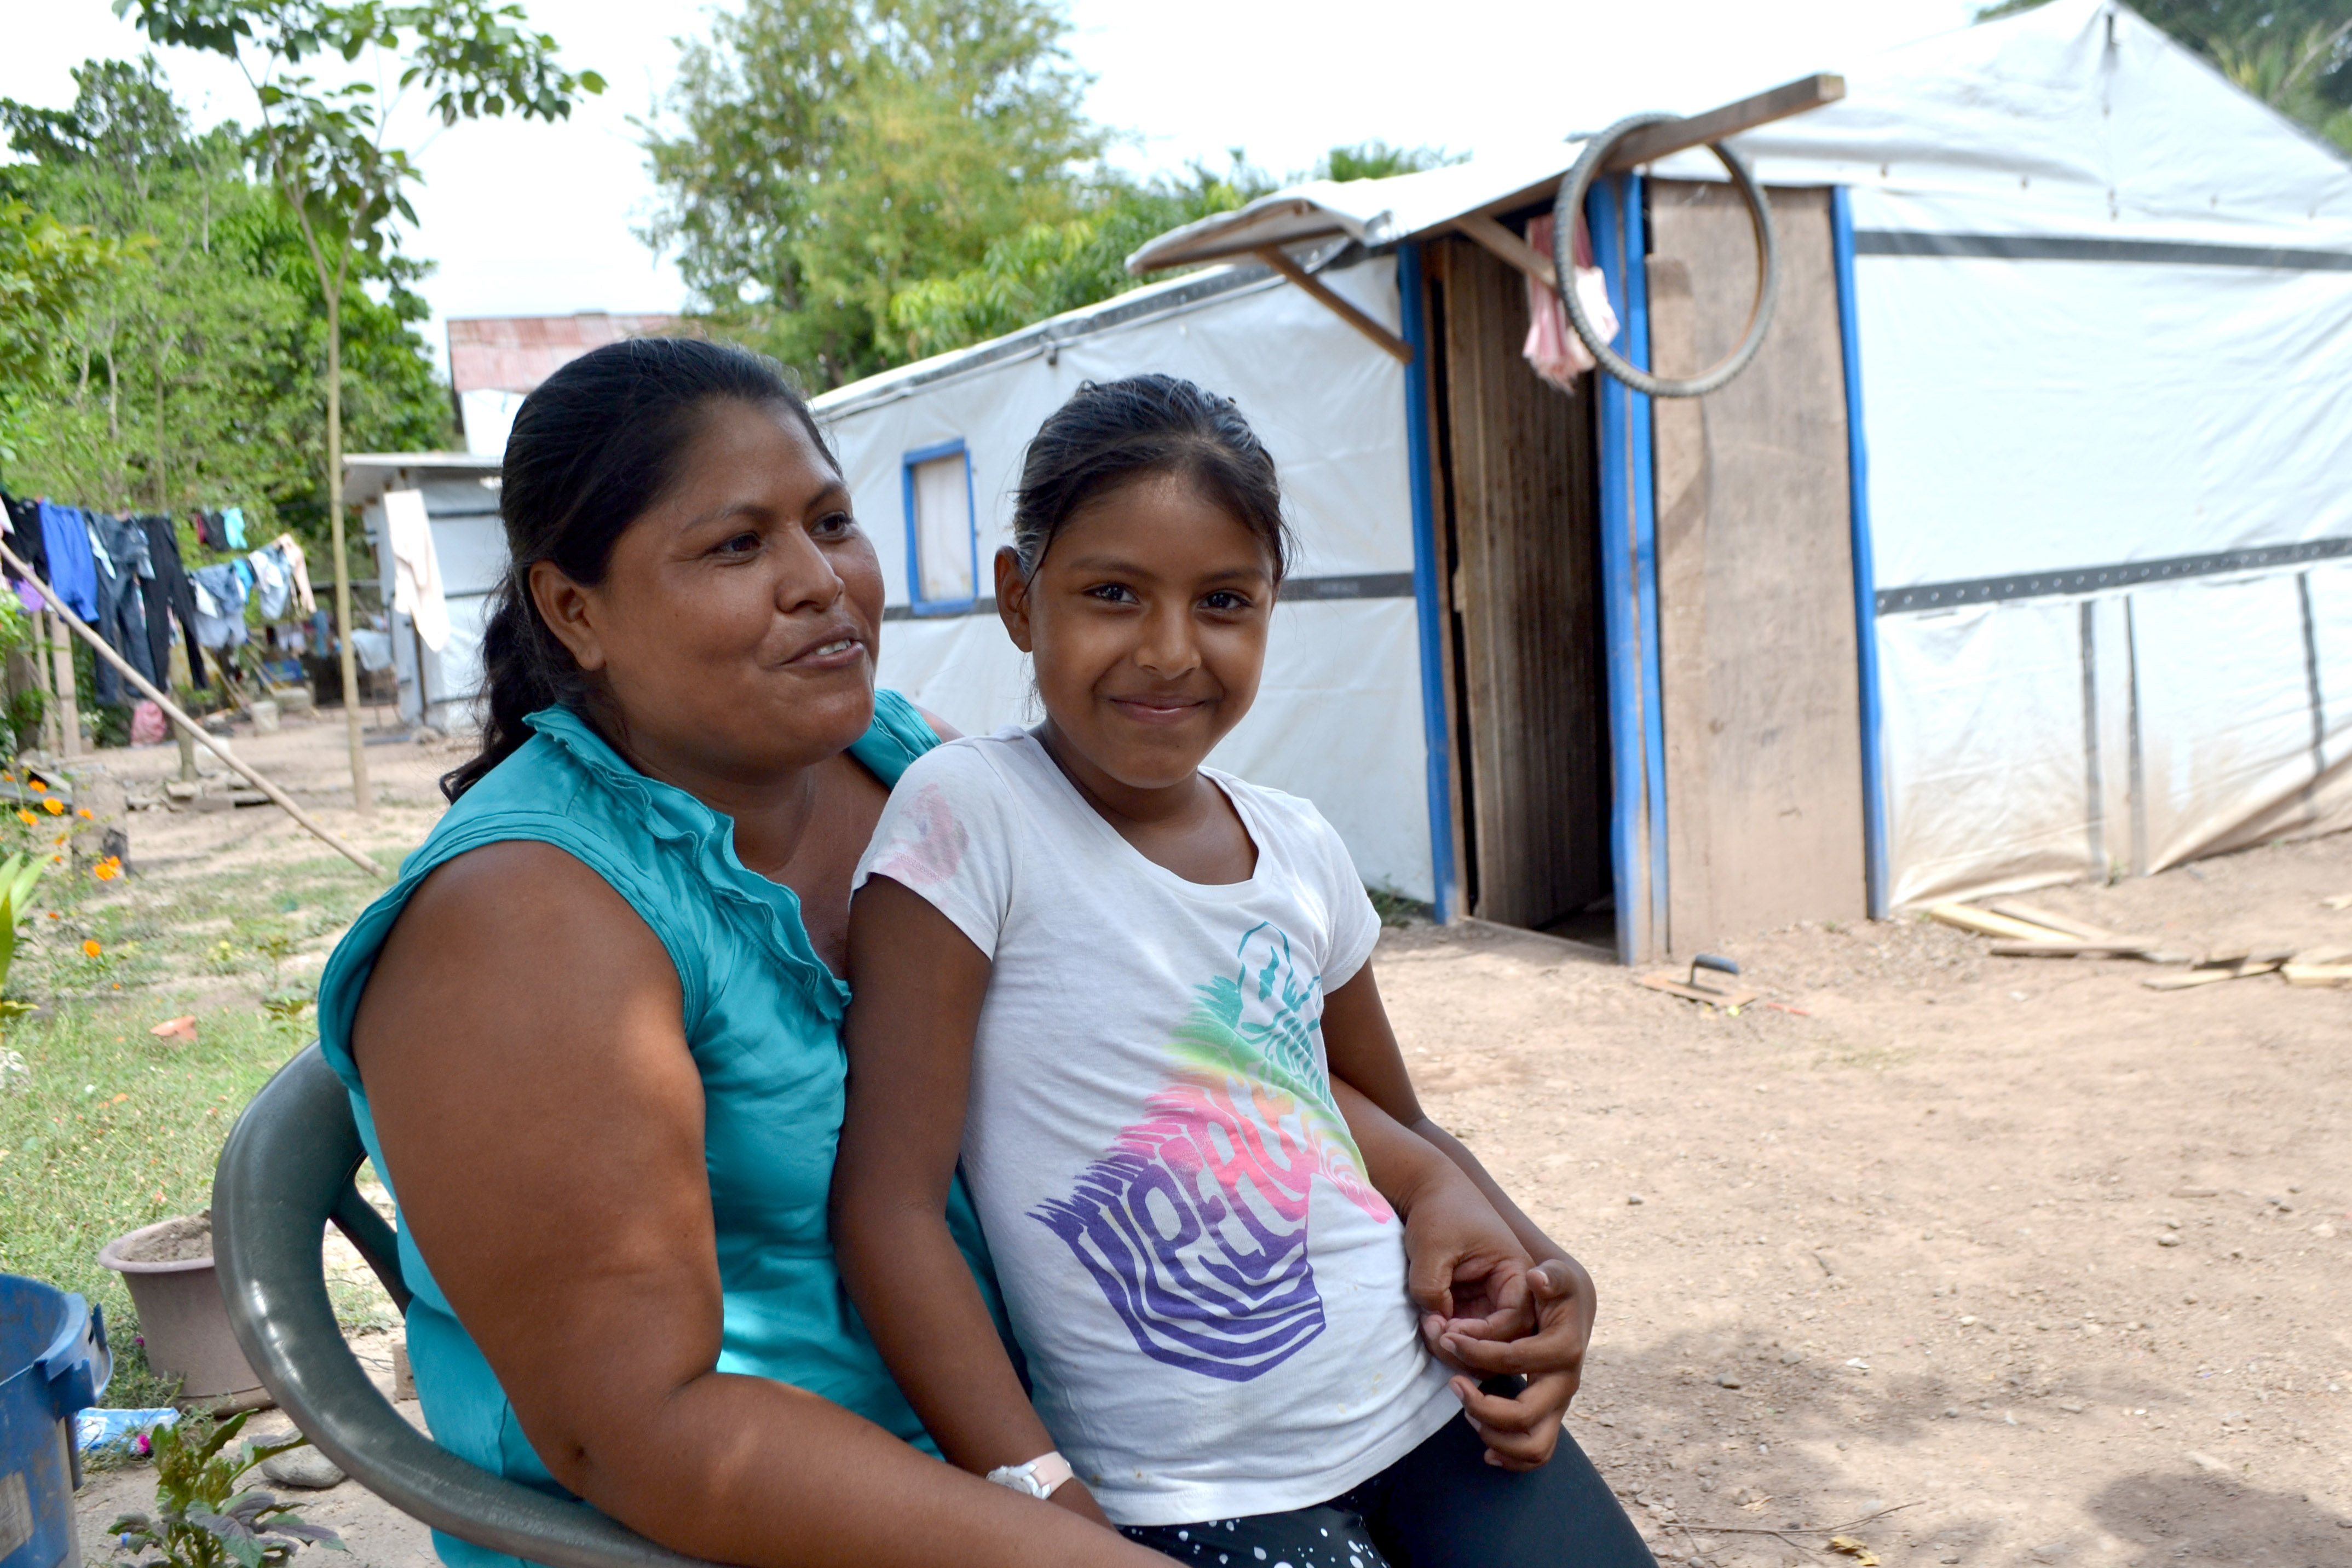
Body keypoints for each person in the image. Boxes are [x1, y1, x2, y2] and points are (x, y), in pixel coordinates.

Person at [313, 338, 1171, 1568]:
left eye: (832, 521)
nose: (821, 580)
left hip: (1026, 1438)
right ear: (574, 610)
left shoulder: (897, 761)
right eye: (736, 544)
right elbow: (645, 1431)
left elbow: (1154, 1003)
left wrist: (1434, 1194)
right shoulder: (524, 920)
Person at [833, 374, 1653, 1567]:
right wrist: (1040, 1496)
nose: (1170, 652)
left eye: (1224, 600)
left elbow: (1360, 1106)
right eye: (1112, 593)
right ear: (1020, 599)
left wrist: (1536, 1259)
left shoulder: (1301, 845)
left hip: (1425, 1399)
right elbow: (889, 1209)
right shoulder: (972, 815)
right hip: (1189, 1484)